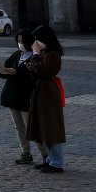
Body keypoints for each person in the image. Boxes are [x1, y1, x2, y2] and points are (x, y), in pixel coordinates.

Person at [0, 28, 48, 165]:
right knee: (19, 126)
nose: (19, 44)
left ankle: (45, 154)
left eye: (21, 41)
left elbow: (33, 73)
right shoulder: (17, 55)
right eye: (18, 41)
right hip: (13, 95)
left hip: (27, 96)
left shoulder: (36, 55)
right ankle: (25, 152)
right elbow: (5, 71)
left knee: (32, 127)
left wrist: (17, 72)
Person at [25, 25, 66, 173]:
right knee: (44, 127)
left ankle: (57, 162)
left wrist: (35, 55)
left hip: (48, 93)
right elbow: (32, 70)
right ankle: (50, 159)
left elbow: (41, 71)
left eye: (38, 39)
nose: (36, 42)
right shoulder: (45, 53)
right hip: (41, 92)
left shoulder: (53, 55)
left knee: (51, 127)